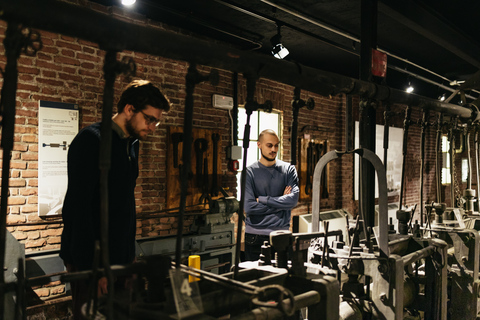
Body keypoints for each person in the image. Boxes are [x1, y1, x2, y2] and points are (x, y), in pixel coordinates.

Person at [60, 80, 170, 319]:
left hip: (122, 259)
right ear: (129, 109)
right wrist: (94, 268)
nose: (153, 127)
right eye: (149, 119)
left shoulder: (131, 143)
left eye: (156, 121)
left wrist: (128, 254)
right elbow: (78, 210)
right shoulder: (92, 140)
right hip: (92, 261)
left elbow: (123, 204)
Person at [243, 129, 299, 261]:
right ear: (259, 145)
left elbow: (293, 200)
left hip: (282, 235)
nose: (274, 149)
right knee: (255, 279)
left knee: (282, 279)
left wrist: (263, 200)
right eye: (269, 145)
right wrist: (282, 203)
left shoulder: (289, 170)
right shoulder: (249, 172)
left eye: (276, 145)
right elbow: (249, 207)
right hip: (255, 236)